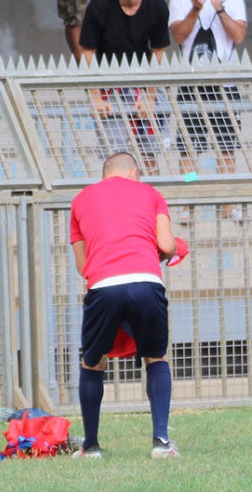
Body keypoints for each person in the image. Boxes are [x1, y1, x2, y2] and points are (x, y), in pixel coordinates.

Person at [68, 151, 179, 459]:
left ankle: (91, 446)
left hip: (103, 284)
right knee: (156, 357)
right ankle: (161, 442)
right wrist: (167, 251)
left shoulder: (80, 200)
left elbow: (83, 266)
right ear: (133, 172)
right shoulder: (151, 194)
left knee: (93, 363)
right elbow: (167, 245)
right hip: (146, 280)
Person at [167, 0, 247, 221]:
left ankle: (227, 204)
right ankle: (189, 202)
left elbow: (238, 36)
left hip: (224, 85)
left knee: (226, 148)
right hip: (191, 85)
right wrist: (195, 10)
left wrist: (219, 8)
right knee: (189, 150)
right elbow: (179, 36)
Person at [80, 0, 170, 174]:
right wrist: (95, 96)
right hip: (110, 85)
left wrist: (150, 96)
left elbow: (158, 51)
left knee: (150, 153)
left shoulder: (157, 5)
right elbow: (88, 52)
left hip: (145, 82)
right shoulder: (99, 6)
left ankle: (149, 194)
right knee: (114, 155)